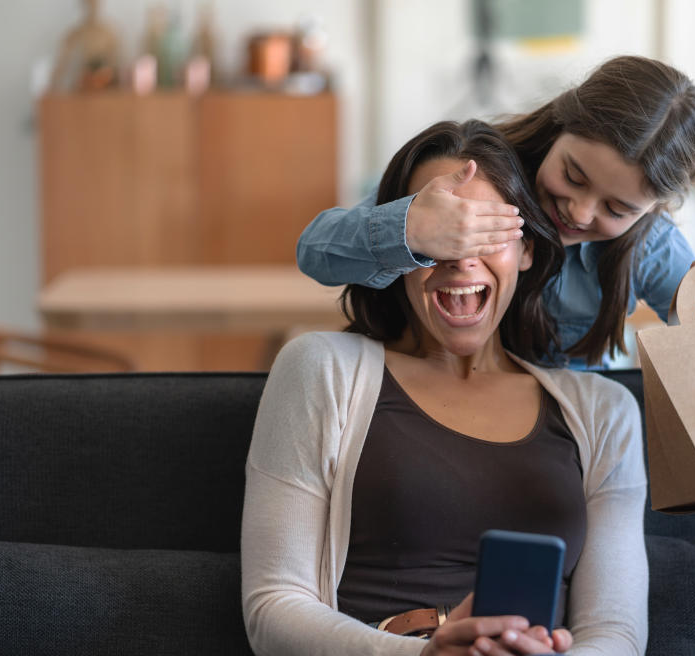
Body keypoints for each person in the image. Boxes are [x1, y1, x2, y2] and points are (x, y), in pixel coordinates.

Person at [242, 120, 648, 656]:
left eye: (487, 231)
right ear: (402, 252)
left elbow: (616, 635)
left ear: (526, 251)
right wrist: (425, 654)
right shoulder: (320, 370)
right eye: (440, 232)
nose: (461, 257)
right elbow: (273, 607)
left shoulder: (605, 412)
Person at [297, 55, 695, 369]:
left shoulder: (649, 248)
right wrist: (408, 228)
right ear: (559, 125)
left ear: (653, 210)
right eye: (574, 176)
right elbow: (316, 253)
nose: (578, 211)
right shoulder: (480, 173)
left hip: (564, 433)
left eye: (617, 207)